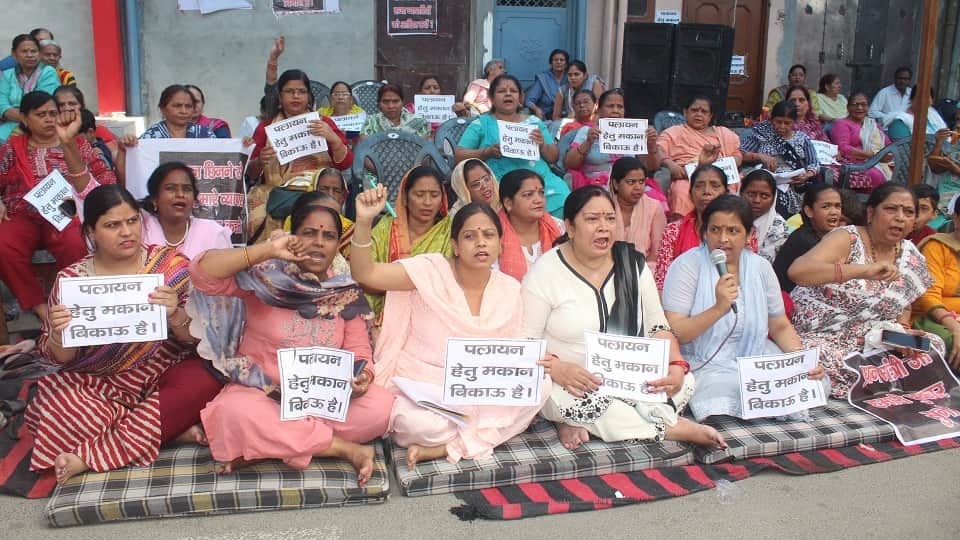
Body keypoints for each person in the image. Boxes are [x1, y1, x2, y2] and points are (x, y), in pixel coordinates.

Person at [189, 201, 393, 482]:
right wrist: (268, 249)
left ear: (337, 245)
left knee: (381, 408)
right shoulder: (265, 278)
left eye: (329, 236)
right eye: (309, 233)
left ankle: (271, 445)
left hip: (324, 400)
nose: (318, 243)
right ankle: (342, 449)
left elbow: (358, 350)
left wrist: (363, 377)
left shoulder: (345, 291)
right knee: (233, 413)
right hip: (265, 395)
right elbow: (202, 272)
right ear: (292, 235)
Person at [351, 186, 549, 467]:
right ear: (455, 245)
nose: (480, 243)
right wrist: (363, 221)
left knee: (541, 384)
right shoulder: (429, 271)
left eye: (489, 235)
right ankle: (477, 436)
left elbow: (514, 354)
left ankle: (449, 447)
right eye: (470, 236)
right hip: (424, 384)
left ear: (500, 243)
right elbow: (365, 273)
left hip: (480, 387)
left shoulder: (509, 289)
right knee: (416, 425)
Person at [521, 186, 726, 450]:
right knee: (553, 394)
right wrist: (559, 369)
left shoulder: (632, 264)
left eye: (610, 218)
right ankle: (673, 427)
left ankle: (594, 421)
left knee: (684, 381)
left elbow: (657, 326)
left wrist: (675, 365)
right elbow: (526, 341)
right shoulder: (546, 271)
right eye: (592, 219)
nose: (604, 227)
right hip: (573, 381)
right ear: (570, 227)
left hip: (628, 375)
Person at [24, 185, 193, 483]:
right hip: (99, 384)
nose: (126, 232)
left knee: (204, 382)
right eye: (112, 225)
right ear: (91, 232)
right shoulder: (72, 281)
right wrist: (59, 336)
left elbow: (199, 339)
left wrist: (175, 314)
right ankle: (164, 431)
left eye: (132, 221)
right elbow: (61, 357)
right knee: (56, 405)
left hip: (164, 376)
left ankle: (119, 440)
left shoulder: (169, 266)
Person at [663, 195, 826, 420]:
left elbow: (779, 325)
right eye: (715, 230)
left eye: (733, 231)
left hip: (755, 357)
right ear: (704, 232)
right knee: (723, 395)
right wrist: (718, 308)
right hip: (704, 364)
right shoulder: (686, 266)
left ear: (749, 234)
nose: (723, 239)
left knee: (810, 381)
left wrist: (799, 360)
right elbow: (677, 332)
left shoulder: (761, 267)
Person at [788, 183, 943, 397]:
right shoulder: (847, 238)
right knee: (819, 357)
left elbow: (904, 304)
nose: (900, 217)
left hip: (876, 336)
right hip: (821, 334)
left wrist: (900, 334)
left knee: (931, 346)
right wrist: (863, 270)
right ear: (871, 212)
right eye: (891, 209)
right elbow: (798, 271)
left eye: (908, 212)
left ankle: (878, 379)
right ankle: (883, 380)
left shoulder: (911, 256)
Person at [0, 92, 116, 322]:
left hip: (66, 213)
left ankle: (76, 305)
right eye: (40, 114)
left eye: (53, 113)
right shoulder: (12, 148)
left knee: (75, 241)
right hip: (23, 215)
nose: (49, 119)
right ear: (24, 118)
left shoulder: (77, 144)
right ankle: (39, 308)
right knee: (4, 246)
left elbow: (106, 177)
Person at [246, 70, 352, 242]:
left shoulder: (323, 123)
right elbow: (251, 173)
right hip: (276, 192)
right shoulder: (266, 128)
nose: (296, 96)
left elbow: (345, 163)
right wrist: (259, 161)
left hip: (317, 191)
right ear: (280, 98)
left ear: (309, 97)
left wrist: (332, 138)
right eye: (289, 91)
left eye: (301, 91)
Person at [455, 74, 571, 218]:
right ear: (491, 98)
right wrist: (486, 152)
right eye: (502, 91)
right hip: (504, 189)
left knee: (564, 199)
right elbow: (459, 156)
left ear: (520, 98)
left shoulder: (534, 122)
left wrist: (542, 146)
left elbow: (553, 156)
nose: (508, 94)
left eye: (513, 91)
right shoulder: (482, 123)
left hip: (543, 185)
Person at [366, 166, 452, 315]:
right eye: (419, 194)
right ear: (405, 197)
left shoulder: (450, 232)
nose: (427, 202)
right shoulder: (385, 228)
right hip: (382, 312)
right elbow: (364, 276)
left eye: (434, 195)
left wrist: (388, 281)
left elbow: (450, 284)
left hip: (431, 313)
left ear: (442, 198)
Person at [657, 95, 742, 220]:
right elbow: (658, 149)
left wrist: (722, 164)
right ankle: (682, 230)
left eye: (704, 111)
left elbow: (738, 156)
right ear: (685, 112)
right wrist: (669, 163)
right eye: (694, 110)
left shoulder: (723, 133)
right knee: (681, 191)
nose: (699, 114)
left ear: (710, 116)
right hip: (687, 177)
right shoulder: (674, 132)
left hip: (723, 177)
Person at [564, 88, 661, 190]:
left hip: (631, 184)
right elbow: (570, 164)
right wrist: (588, 143)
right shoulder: (587, 131)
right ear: (599, 109)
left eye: (620, 107)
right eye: (610, 106)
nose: (615, 111)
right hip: (595, 185)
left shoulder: (634, 131)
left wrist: (651, 145)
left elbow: (651, 167)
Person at [654, 164, 729, 290]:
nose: (706, 191)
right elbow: (662, 282)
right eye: (699, 186)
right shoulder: (673, 231)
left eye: (714, 186)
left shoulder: (739, 231)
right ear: (690, 194)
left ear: (726, 193)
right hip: (680, 302)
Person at [740, 101, 820, 217]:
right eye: (778, 122)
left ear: (794, 122)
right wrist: (760, 156)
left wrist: (807, 175)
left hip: (795, 184)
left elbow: (814, 163)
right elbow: (740, 155)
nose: (782, 126)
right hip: (764, 182)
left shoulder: (802, 139)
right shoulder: (760, 134)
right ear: (772, 119)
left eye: (787, 123)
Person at [913, 196, 960, 369]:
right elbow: (928, 297)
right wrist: (955, 326)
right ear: (956, 218)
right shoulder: (937, 246)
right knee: (949, 340)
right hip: (931, 318)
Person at [495, 168, 563, 281]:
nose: (539, 200)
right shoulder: (494, 235)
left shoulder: (558, 227)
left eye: (541, 193)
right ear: (508, 203)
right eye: (528, 195)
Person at [773, 184, 842, 292]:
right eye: (826, 206)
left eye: (837, 206)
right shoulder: (804, 240)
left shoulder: (826, 237)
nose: (834, 212)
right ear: (809, 211)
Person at [607, 157, 665, 269]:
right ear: (616, 184)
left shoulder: (654, 207)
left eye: (642, 181)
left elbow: (656, 253)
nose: (638, 187)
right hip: (607, 269)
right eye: (631, 182)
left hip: (644, 271)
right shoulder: (603, 207)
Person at [830, 92, 893, 192]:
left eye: (863, 104)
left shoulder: (872, 124)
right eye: (855, 104)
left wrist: (888, 155)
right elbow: (843, 148)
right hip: (854, 164)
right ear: (848, 107)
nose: (859, 108)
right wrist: (875, 156)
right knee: (876, 175)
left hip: (879, 162)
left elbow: (888, 145)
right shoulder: (842, 124)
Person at [0, 35, 59, 142]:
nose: (29, 55)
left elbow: (42, 106)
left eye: (33, 51)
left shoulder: (48, 72)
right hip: (8, 125)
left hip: (39, 126)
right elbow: (2, 104)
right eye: (24, 51)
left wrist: (18, 115)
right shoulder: (7, 75)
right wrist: (25, 116)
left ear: (39, 53)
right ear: (14, 54)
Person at [789, 85, 840, 182]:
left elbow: (826, 144)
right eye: (793, 100)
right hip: (801, 166)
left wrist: (835, 152)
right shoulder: (784, 124)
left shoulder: (814, 122)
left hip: (823, 162)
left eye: (801, 100)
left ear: (808, 103)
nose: (797, 104)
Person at [53, 85, 117, 159]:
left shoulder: (99, 131)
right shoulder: (48, 133)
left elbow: (114, 161)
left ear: (82, 106)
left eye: (72, 104)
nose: (67, 108)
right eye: (61, 105)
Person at [741, 169, 789, 263]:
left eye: (764, 196)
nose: (757, 200)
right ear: (741, 193)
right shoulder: (729, 218)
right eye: (751, 194)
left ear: (773, 199)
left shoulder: (779, 228)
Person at [359, 83, 429, 140]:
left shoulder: (418, 122)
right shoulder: (370, 122)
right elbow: (366, 148)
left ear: (402, 102)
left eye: (395, 101)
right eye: (386, 101)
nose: (391, 106)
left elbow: (422, 150)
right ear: (379, 103)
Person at [525, 49, 568, 119]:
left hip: (566, 118)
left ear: (566, 64)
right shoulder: (543, 78)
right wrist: (536, 109)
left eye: (561, 60)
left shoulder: (570, 78)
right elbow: (529, 101)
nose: (558, 62)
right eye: (555, 60)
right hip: (546, 117)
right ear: (551, 64)